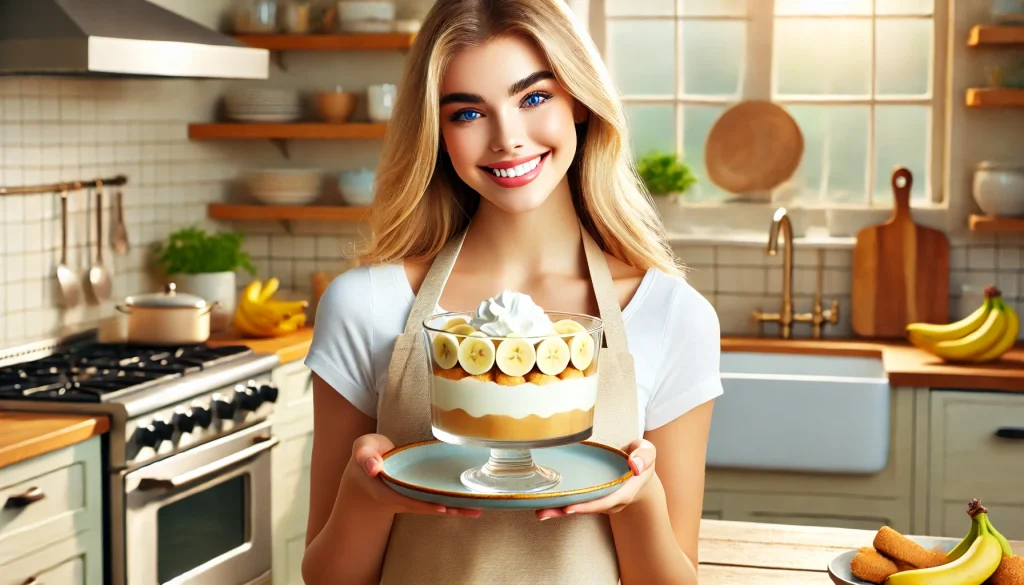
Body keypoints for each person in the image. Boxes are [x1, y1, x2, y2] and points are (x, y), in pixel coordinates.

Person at [300, 1, 722, 584]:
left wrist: (638, 499)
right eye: (468, 113)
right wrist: (365, 493)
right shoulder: (364, 306)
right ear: (437, 132)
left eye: (533, 97)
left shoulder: (672, 315)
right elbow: (327, 579)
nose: (508, 139)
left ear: (577, 100)